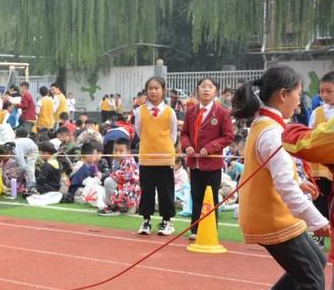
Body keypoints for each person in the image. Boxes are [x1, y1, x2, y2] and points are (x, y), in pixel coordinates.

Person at [235, 66, 329, 290]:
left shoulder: (265, 124)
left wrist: (298, 181)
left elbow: (277, 174)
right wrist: (320, 221)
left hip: (270, 211)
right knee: (313, 277)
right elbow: (285, 189)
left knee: (314, 260)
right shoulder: (273, 132)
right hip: (270, 216)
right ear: (283, 94)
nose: (300, 102)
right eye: (298, 95)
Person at [180, 77, 234, 240]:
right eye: (203, 86)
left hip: (212, 164)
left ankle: (210, 229)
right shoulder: (191, 112)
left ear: (216, 91)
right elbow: (184, 134)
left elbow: (228, 137)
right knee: (196, 196)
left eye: (210, 87)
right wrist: (187, 145)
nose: (206, 89)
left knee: (210, 197)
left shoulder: (223, 113)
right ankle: (195, 229)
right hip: (195, 163)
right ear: (198, 89)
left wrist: (209, 148)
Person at [136, 76, 177, 236]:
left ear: (163, 90)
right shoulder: (140, 111)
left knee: (165, 190)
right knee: (147, 190)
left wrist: (164, 149)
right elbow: (139, 132)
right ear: (146, 91)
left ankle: (167, 221)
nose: (153, 91)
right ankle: (146, 220)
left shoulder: (170, 112)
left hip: (165, 157)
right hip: (146, 156)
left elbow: (173, 135)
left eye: (157, 88)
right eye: (150, 88)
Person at [307, 71, 334, 245]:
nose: (324, 95)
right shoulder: (317, 113)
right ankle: (319, 238)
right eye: (321, 91)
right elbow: (309, 136)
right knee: (319, 202)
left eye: (329, 91)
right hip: (318, 167)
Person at [98, 138, 140, 215]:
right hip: (127, 189)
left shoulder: (128, 161)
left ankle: (118, 206)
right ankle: (118, 206)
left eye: (121, 151)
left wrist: (113, 175)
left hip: (132, 190)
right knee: (109, 181)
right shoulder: (116, 161)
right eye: (115, 150)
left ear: (128, 152)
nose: (117, 153)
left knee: (108, 181)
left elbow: (125, 176)